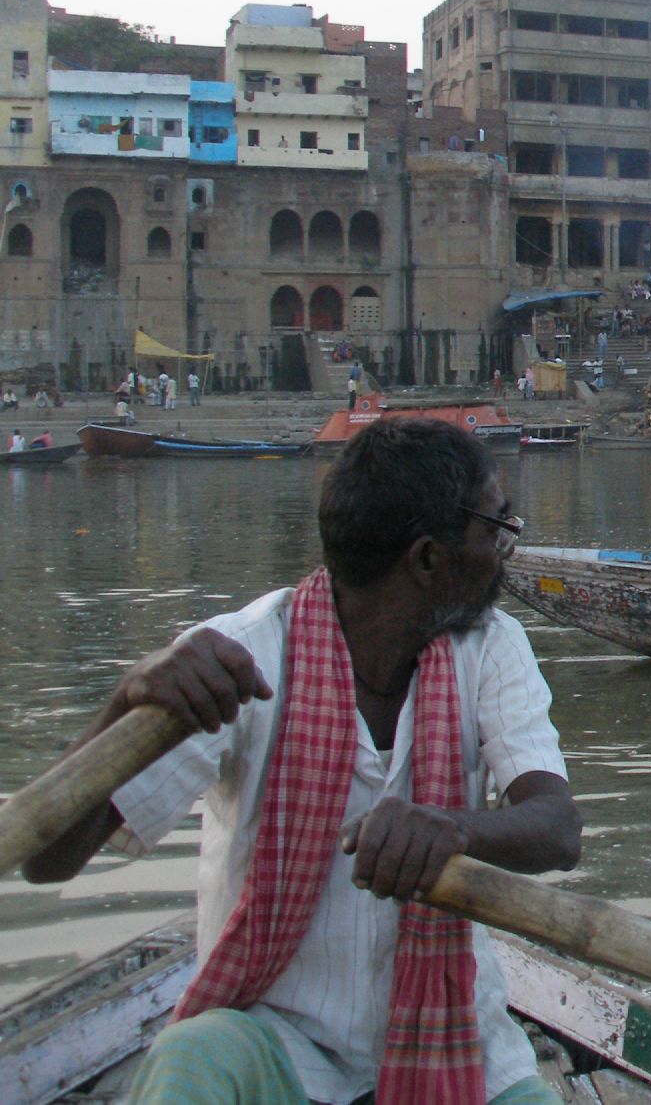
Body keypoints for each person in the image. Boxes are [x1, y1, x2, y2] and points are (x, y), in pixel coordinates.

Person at [21, 418, 581, 1105]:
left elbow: (556, 828)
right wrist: (125, 703)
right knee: (191, 1056)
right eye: (495, 528)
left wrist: (453, 829)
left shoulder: (492, 646)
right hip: (279, 1043)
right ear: (429, 559)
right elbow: (46, 860)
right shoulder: (241, 658)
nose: (504, 549)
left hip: (460, 1047)